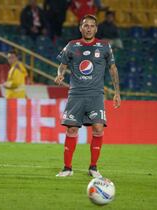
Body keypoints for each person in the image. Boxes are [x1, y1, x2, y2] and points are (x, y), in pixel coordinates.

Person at [54, 14, 121, 178]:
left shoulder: (104, 46)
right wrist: (60, 74)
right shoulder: (72, 45)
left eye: (92, 25)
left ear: (96, 29)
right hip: (76, 94)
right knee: (71, 129)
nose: (89, 28)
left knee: (98, 128)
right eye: (86, 25)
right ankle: (67, 168)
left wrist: (117, 92)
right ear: (81, 28)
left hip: (95, 95)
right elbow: (62, 65)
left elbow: (113, 69)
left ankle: (93, 167)